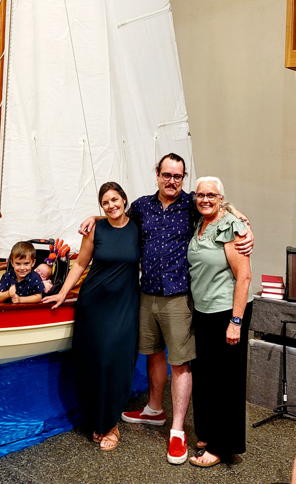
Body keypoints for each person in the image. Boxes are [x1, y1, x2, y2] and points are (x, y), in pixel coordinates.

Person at [79, 153, 253, 464]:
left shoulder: (191, 204)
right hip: (147, 294)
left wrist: (242, 222)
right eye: (166, 175)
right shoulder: (143, 206)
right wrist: (96, 219)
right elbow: (117, 218)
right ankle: (154, 410)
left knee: (181, 362)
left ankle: (176, 431)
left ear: (183, 178)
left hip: (178, 297)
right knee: (153, 352)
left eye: (178, 176)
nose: (172, 181)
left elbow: (218, 206)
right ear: (157, 174)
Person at [44, 182, 139, 451]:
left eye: (115, 199)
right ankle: (98, 422)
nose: (111, 205)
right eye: (105, 203)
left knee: (115, 362)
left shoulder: (138, 227)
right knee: (94, 362)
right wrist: (63, 292)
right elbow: (81, 264)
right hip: (94, 304)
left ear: (124, 199)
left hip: (125, 306)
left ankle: (111, 424)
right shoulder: (96, 229)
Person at [187, 176, 253, 467]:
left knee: (226, 384)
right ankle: (207, 434)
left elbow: (244, 277)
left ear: (220, 198)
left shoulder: (231, 226)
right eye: (200, 194)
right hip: (203, 313)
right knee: (206, 379)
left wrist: (236, 321)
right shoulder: (199, 223)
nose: (205, 199)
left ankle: (222, 447)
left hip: (227, 313)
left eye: (211, 195)